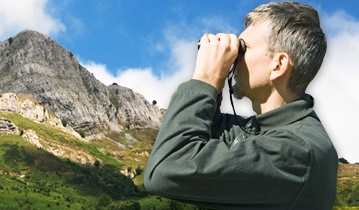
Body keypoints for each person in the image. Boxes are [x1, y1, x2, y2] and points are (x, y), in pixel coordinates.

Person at [143, 2, 338, 209]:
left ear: (278, 65)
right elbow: (209, 131)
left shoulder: (297, 150)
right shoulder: (268, 131)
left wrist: (205, 78)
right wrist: (215, 85)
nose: (235, 58)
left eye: (243, 48)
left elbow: (166, 169)